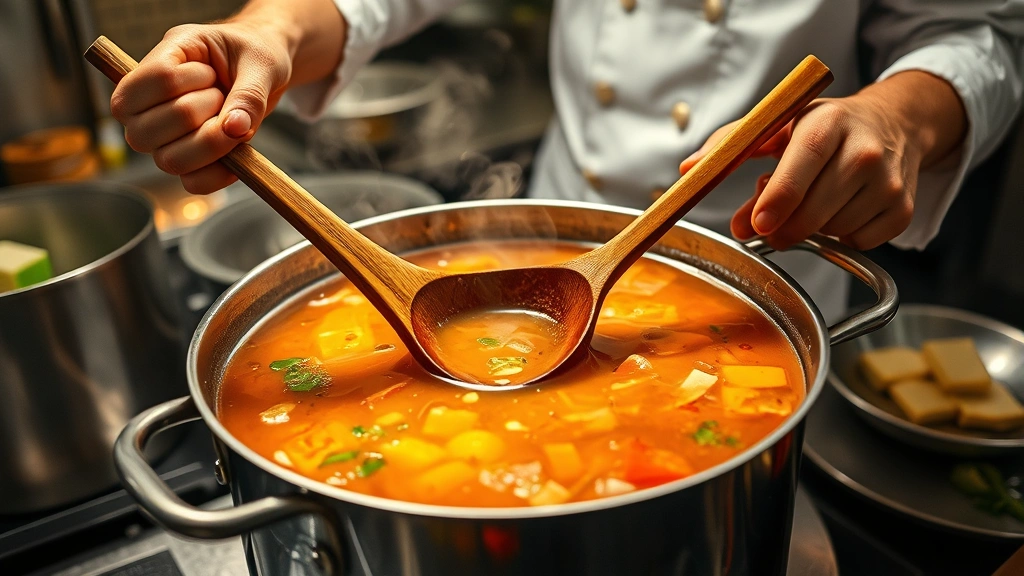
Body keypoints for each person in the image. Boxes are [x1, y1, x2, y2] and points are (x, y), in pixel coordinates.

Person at [108, 0, 1024, 321]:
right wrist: (263, 33)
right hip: (538, 247)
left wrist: (896, 120)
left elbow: (977, 32)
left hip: (759, 261)